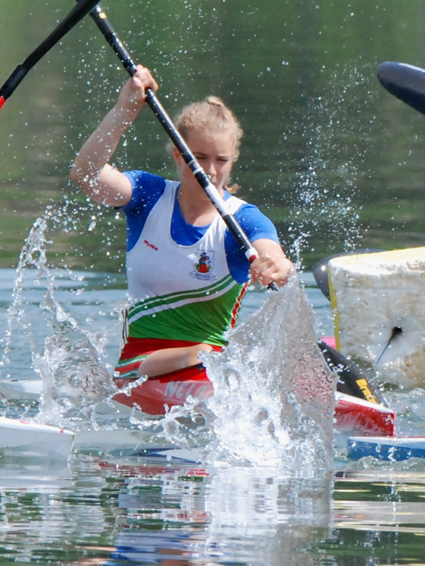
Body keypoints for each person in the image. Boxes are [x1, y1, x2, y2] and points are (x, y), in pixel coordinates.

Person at [69, 65, 292, 386]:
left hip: (212, 367)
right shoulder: (148, 195)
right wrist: (125, 110)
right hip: (140, 366)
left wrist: (278, 266)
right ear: (177, 154)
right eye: (198, 157)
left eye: (221, 160)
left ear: (232, 161)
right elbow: (85, 174)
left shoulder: (243, 219)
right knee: (203, 353)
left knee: (209, 355)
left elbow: (271, 252)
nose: (211, 170)